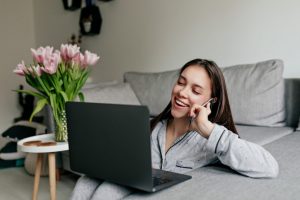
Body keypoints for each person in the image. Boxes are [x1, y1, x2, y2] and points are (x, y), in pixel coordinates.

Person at [71, 58, 279, 200]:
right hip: (140, 179)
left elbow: (270, 168)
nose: (182, 93)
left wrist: (208, 130)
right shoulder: (153, 127)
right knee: (85, 181)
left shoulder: (212, 139)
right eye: (181, 83)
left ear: (210, 101)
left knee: (107, 191)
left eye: (196, 90)